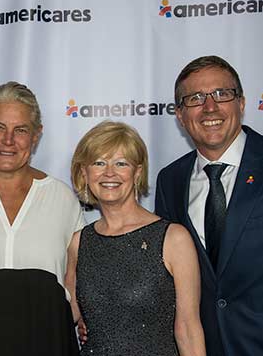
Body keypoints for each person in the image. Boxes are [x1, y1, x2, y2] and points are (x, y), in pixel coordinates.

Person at [155, 55, 263, 356]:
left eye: (222, 94)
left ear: (241, 103)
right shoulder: (170, 180)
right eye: (195, 98)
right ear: (179, 114)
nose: (210, 107)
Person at [0, 81, 84, 356]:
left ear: (36, 136)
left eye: (20, 130)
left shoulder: (63, 200)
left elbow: (77, 285)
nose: (8, 140)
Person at [66, 120, 206, 355]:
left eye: (121, 163)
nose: (109, 173)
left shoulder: (173, 239)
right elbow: (64, 316)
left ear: (137, 172)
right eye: (99, 163)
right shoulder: (79, 243)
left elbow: (188, 330)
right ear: (84, 173)